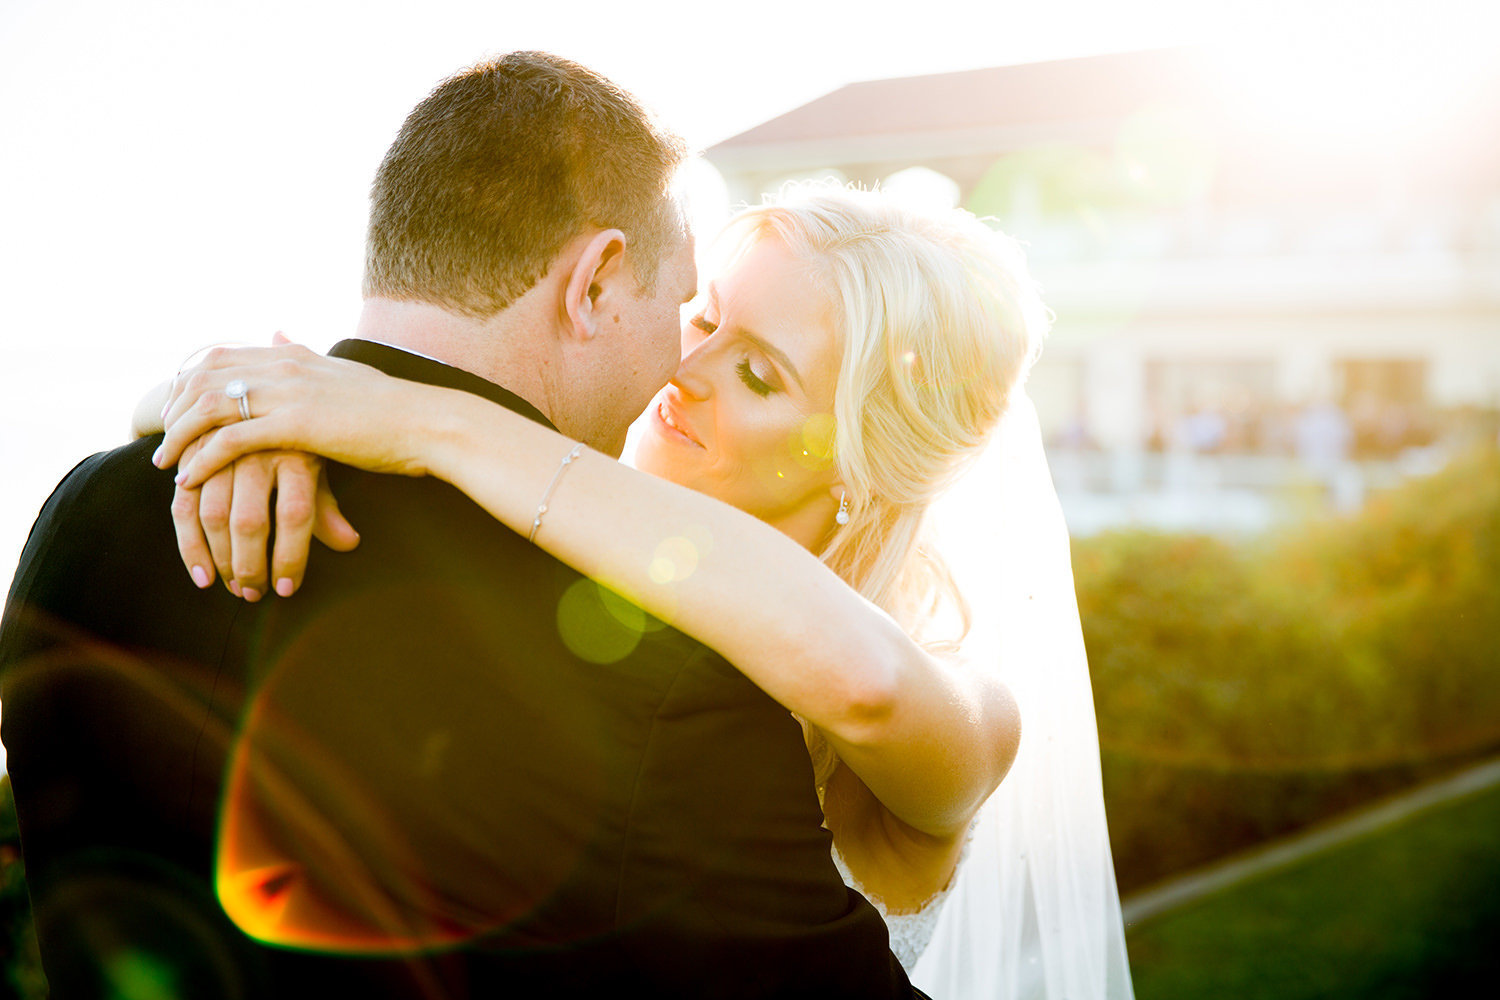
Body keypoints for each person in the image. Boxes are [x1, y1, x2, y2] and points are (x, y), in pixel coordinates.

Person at [0, 53, 918, 999]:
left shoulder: (91, 512)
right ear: (596, 283)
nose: (681, 360)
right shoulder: (667, 675)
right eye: (682, 307)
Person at [155, 186, 1135, 998]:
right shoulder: (569, 562)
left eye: (757, 373)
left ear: (862, 462)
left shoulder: (967, 707)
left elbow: (864, 682)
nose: (686, 369)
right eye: (702, 319)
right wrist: (228, 413)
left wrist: (418, 418)